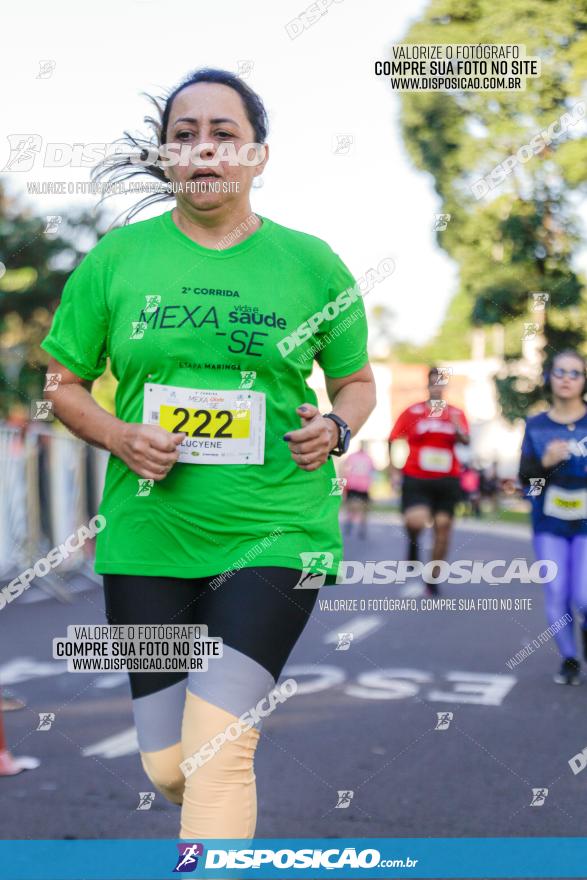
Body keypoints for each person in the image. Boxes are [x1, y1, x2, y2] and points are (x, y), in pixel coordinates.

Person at [41, 68, 376, 841]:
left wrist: (337, 427)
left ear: (257, 155)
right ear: (165, 156)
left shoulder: (311, 263)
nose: (203, 150)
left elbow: (354, 382)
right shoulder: (117, 261)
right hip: (148, 537)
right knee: (169, 766)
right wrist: (118, 434)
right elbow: (62, 383)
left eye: (223, 135)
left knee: (219, 753)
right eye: (183, 135)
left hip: (276, 529)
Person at [519, 349, 587, 686]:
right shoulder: (536, 425)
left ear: (584, 381)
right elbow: (524, 479)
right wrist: (544, 464)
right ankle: (570, 658)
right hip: (549, 521)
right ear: (550, 376)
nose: (566, 378)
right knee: (557, 590)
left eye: (575, 373)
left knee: (584, 595)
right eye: (560, 371)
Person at [388, 367, 469, 595]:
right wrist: (393, 469)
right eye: (433, 382)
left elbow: (465, 440)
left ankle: (433, 579)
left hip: (447, 479)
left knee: (443, 528)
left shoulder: (456, 413)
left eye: (441, 383)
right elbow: (393, 438)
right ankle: (412, 543)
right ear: (428, 385)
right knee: (416, 521)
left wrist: (456, 425)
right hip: (417, 476)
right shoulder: (413, 412)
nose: (437, 387)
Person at [341, 441, 375, 538]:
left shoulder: (363, 458)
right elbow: (372, 471)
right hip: (357, 485)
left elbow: (345, 468)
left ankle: (356, 525)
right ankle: (352, 524)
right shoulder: (367, 458)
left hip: (359, 485)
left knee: (360, 507)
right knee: (354, 507)